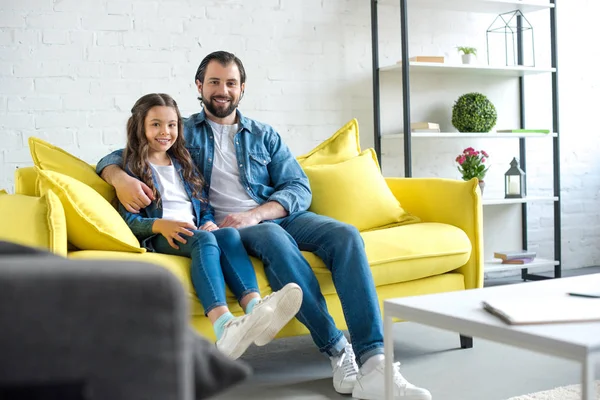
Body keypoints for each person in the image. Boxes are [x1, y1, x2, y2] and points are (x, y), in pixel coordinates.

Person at [96, 52, 432, 400]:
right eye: (214, 82)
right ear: (199, 86)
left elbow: (298, 187)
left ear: (242, 89)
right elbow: (125, 152)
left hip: (275, 215)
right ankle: (336, 349)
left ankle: (374, 362)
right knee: (273, 237)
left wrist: (257, 213)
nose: (222, 90)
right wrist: (118, 177)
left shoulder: (263, 134)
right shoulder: (181, 132)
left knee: (345, 235)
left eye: (231, 83)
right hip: (230, 228)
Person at [116, 92, 303, 361]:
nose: (165, 132)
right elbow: (129, 221)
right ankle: (223, 325)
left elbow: (202, 206)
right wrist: (159, 225)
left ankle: (255, 309)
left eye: (171, 125)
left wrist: (207, 223)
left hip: (193, 231)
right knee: (204, 241)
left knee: (225, 234)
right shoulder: (131, 168)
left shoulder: (182, 162)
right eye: (155, 124)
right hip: (160, 235)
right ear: (140, 127)